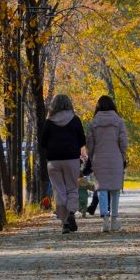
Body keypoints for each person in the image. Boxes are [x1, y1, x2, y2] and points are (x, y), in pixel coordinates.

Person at [39, 94, 86, 234]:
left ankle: (65, 223)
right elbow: (82, 140)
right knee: (72, 188)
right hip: (71, 159)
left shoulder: (49, 122)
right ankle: (71, 213)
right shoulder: (75, 119)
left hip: (53, 161)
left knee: (59, 190)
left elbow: (42, 142)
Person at [86, 95, 128, 232]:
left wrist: (92, 157)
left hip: (99, 159)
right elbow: (123, 142)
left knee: (102, 189)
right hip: (116, 158)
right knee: (115, 190)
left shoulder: (93, 123)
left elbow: (90, 144)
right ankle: (114, 221)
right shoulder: (119, 121)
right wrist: (123, 156)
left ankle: (104, 219)